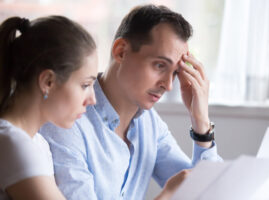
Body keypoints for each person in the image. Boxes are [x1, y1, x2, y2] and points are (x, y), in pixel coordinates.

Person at [40, 4, 223, 200]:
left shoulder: (150, 125)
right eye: (160, 65)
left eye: (175, 73)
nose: (168, 85)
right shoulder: (66, 122)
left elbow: (209, 194)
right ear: (121, 51)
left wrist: (201, 122)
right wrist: (168, 195)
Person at [0, 15, 98, 199]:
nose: (92, 99)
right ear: (48, 81)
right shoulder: (11, 143)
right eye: (85, 85)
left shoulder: (38, 143)